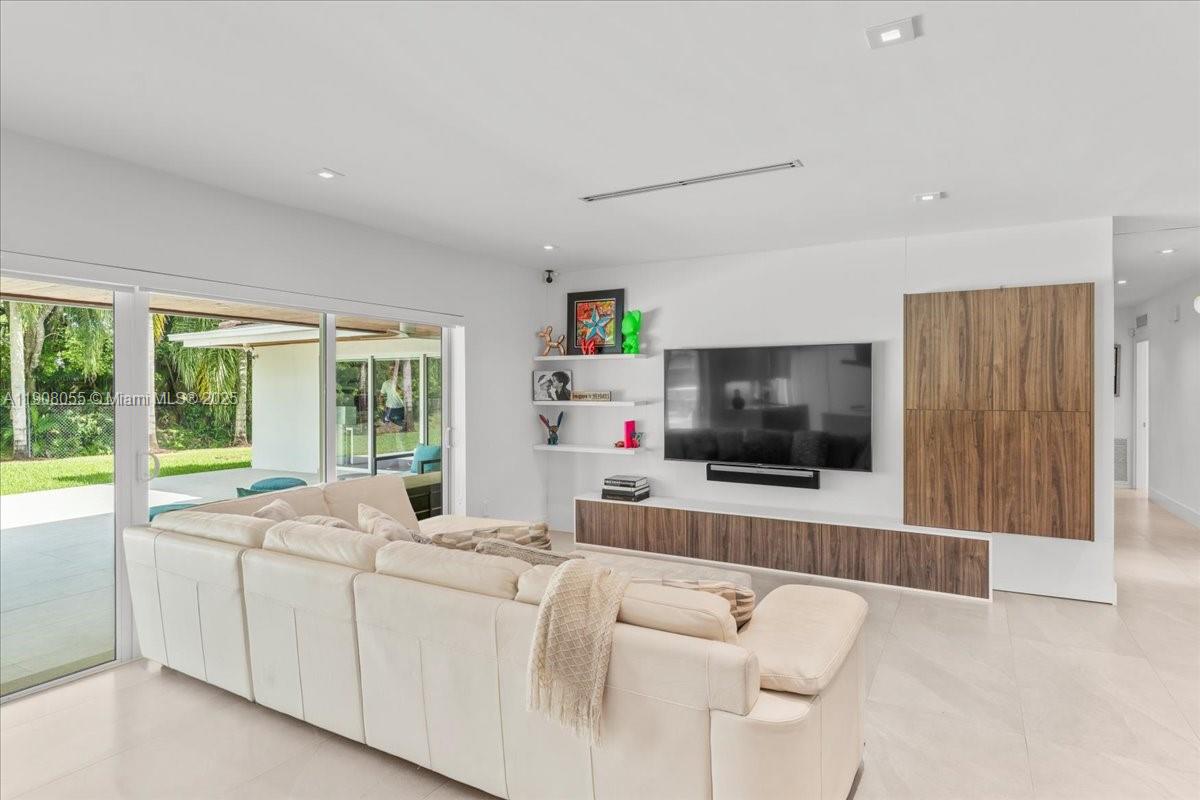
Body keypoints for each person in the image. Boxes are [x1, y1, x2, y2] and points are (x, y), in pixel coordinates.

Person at [381, 362, 406, 429]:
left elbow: (404, 395)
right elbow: (381, 396)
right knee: (386, 424)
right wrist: (382, 405)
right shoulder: (385, 383)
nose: (391, 371)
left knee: (400, 426)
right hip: (388, 408)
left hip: (399, 409)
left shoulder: (402, 381)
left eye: (393, 369)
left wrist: (395, 384)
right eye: (390, 369)